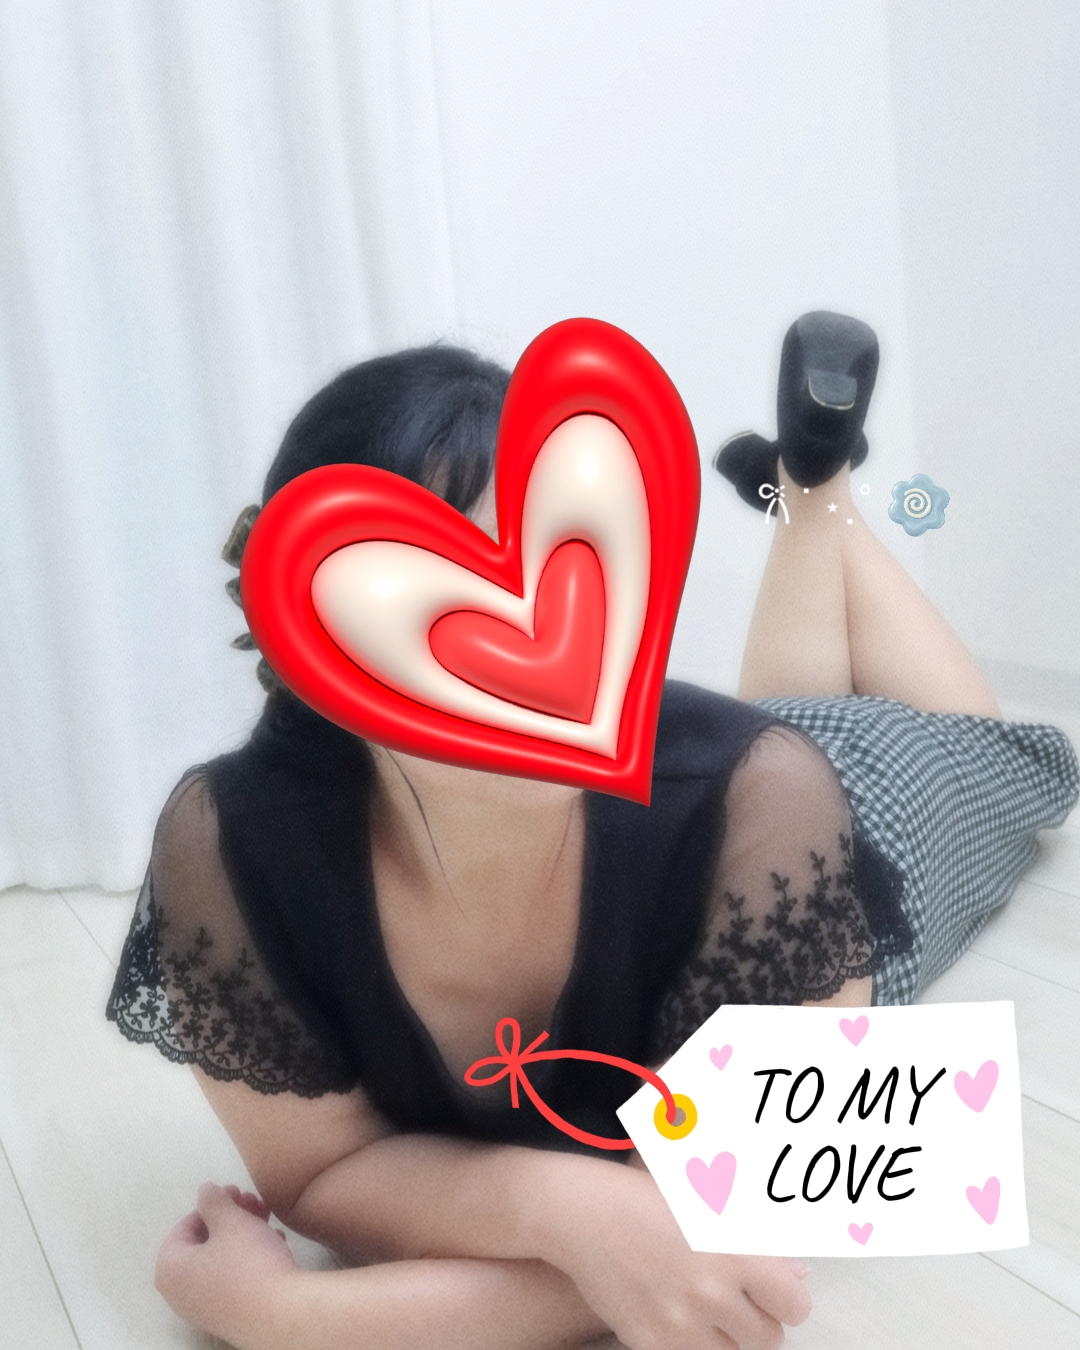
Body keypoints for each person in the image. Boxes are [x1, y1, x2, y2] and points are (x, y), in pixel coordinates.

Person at [107, 318, 1079, 1350]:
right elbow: (325, 1172)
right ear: (315, 636)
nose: (521, 656)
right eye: (438, 607)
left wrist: (290, 1317)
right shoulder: (235, 849)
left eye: (555, 581)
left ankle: (817, 490)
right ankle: (812, 483)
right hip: (736, 761)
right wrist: (566, 1203)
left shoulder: (771, 812)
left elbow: (721, 1237)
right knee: (786, 713)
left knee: (996, 750)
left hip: (863, 817)